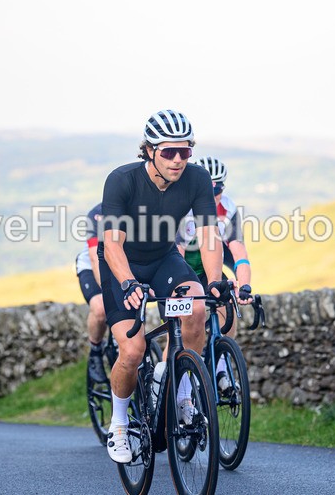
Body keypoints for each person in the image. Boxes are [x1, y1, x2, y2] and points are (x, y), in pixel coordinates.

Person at [98, 109, 231, 463]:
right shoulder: (122, 180)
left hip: (162, 259)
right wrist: (127, 283)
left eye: (185, 151)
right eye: (169, 152)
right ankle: (120, 424)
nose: (177, 160)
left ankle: (182, 394)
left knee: (198, 308)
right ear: (149, 151)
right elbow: (111, 244)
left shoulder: (197, 179)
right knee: (132, 350)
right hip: (121, 264)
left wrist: (216, 281)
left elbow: (208, 235)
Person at [177, 156, 253, 391]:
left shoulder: (228, 209)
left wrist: (245, 285)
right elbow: (176, 253)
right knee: (180, 332)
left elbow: (239, 253)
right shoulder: (182, 208)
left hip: (209, 270)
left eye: (217, 188)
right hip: (181, 271)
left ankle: (221, 367)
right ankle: (174, 388)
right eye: (207, 189)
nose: (213, 195)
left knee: (227, 301)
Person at [75, 203, 108, 383]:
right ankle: (95, 351)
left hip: (122, 266)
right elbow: (95, 258)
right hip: (92, 266)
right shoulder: (97, 214)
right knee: (101, 308)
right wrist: (109, 291)